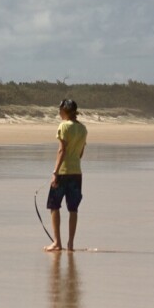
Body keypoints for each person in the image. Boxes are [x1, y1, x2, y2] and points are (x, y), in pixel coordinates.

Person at [45, 99, 87, 252]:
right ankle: (71, 244)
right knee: (73, 209)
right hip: (76, 173)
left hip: (63, 172)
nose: (59, 112)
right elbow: (80, 153)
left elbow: (62, 150)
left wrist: (55, 172)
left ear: (64, 111)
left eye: (60, 110)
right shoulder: (83, 129)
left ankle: (57, 242)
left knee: (54, 206)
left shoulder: (63, 126)